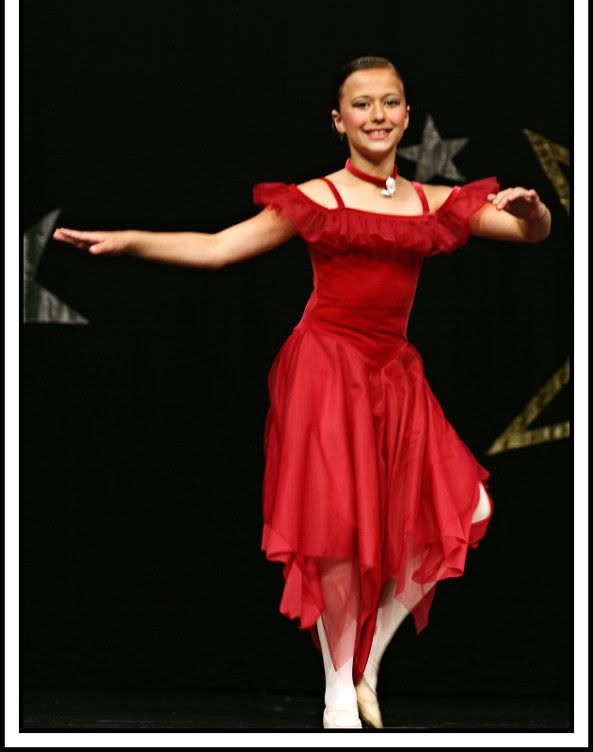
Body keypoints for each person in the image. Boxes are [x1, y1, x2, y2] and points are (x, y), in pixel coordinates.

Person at [53, 55, 552, 730]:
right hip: (326, 367)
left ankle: (368, 661)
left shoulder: (432, 201)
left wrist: (534, 208)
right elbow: (217, 248)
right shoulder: (315, 197)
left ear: (406, 115)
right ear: (338, 119)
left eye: (389, 102)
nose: (376, 115)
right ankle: (336, 694)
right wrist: (129, 242)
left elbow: (527, 233)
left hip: (394, 373)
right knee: (337, 533)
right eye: (362, 104)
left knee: (466, 506)